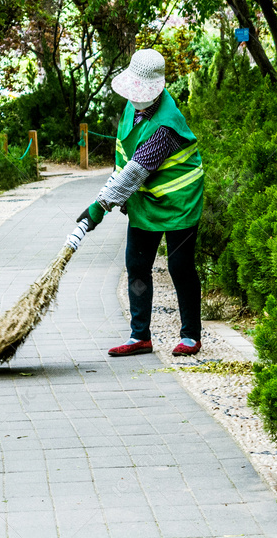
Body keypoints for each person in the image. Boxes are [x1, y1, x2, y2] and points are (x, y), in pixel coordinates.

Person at [73, 48, 205, 357]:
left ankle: (190, 336)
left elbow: (135, 171)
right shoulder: (132, 108)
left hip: (180, 201)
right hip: (146, 200)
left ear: (156, 90)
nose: (134, 97)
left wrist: (98, 208)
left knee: (180, 267)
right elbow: (123, 160)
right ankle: (139, 337)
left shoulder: (166, 125)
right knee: (136, 265)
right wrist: (107, 195)